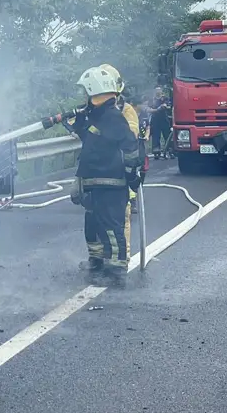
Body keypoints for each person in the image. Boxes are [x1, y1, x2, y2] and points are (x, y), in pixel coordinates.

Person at [69, 66, 142, 287]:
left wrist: (131, 173)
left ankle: (116, 269)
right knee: (94, 225)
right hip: (93, 181)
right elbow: (91, 141)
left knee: (111, 226)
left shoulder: (114, 116)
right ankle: (98, 262)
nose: (85, 97)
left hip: (110, 182)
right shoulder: (97, 115)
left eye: (87, 93)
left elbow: (130, 145)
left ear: (95, 91)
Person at [149, 86, 171, 159]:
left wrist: (164, 106)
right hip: (155, 120)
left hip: (164, 119)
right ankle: (156, 152)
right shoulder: (152, 99)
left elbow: (168, 106)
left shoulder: (165, 98)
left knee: (167, 135)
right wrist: (156, 109)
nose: (158, 91)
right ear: (154, 91)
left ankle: (170, 151)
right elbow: (149, 108)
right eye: (156, 90)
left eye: (159, 90)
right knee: (156, 136)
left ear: (161, 91)